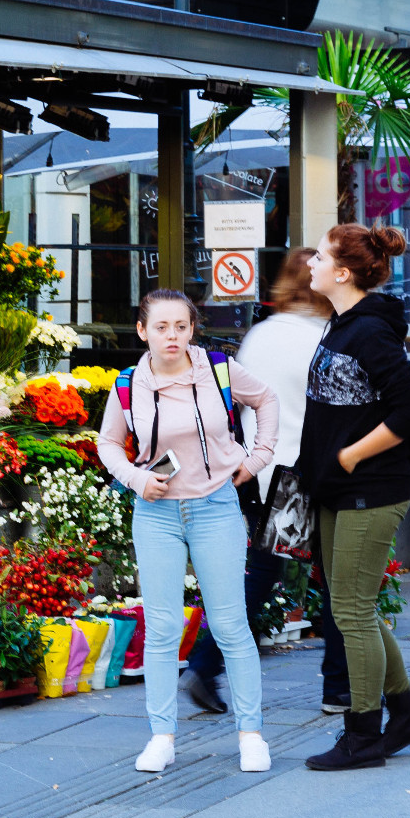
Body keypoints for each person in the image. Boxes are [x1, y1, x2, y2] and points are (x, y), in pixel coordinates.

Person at [98, 289, 280, 775]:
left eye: (180, 326)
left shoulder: (217, 369)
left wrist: (257, 458)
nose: (172, 336)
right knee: (161, 629)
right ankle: (161, 737)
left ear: (192, 329)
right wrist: (137, 478)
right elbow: (109, 443)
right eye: (161, 327)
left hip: (215, 506)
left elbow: (266, 400)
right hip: (156, 513)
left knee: (230, 625)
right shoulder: (129, 383)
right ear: (143, 331)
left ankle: (251, 734)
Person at [183, 248, 351, 716]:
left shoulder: (261, 334)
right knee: (336, 576)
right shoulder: (328, 335)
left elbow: (235, 404)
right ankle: (339, 687)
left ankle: (204, 663)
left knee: (262, 571)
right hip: (312, 472)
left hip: (263, 470)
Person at [298, 224, 410, 770]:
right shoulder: (342, 323)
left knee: (351, 612)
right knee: (352, 607)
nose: (310, 261)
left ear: (343, 272)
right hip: (340, 489)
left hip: (370, 489)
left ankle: (362, 736)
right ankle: (406, 713)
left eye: (320, 255)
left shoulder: (370, 332)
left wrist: (352, 455)